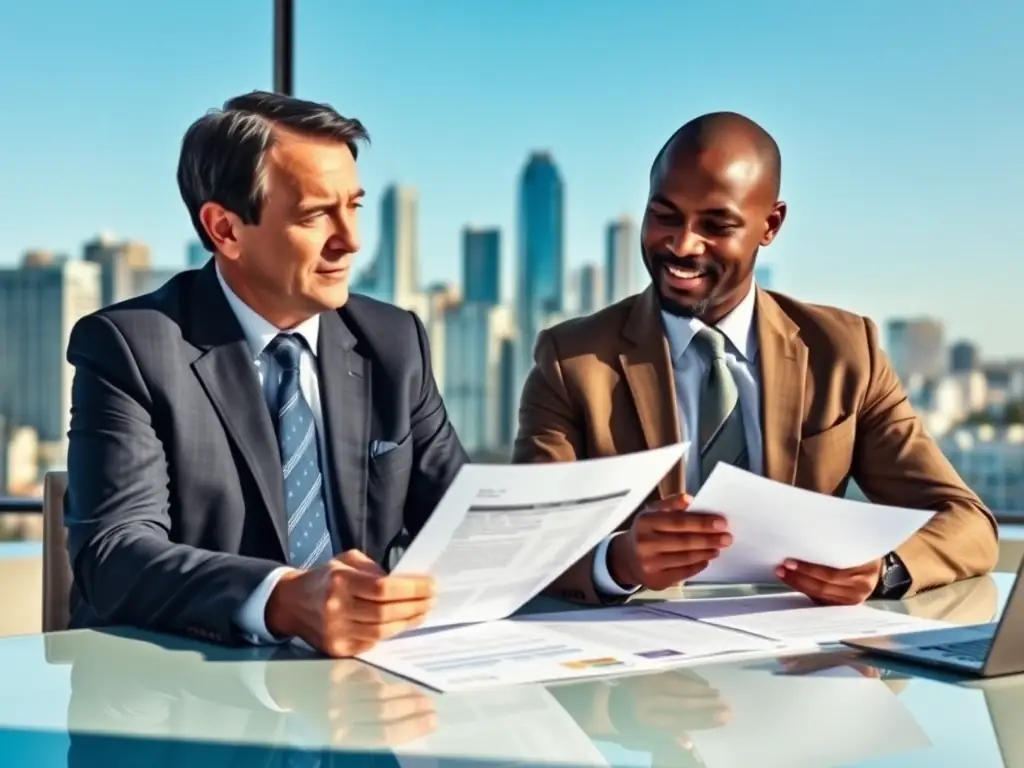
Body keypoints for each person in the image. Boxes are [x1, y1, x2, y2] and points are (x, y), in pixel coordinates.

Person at [513, 111, 997, 606]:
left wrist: (885, 570)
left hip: (799, 643)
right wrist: (620, 561)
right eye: (665, 216)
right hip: (632, 643)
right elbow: (521, 542)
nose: (682, 244)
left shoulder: (846, 352)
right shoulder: (571, 361)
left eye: (715, 225)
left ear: (771, 225)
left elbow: (968, 522)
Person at [64, 91, 467, 657]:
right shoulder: (130, 348)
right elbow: (115, 554)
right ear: (225, 229)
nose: (350, 241)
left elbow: (461, 523)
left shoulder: (394, 341)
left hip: (367, 679)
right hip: (188, 687)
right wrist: (283, 599)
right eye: (315, 215)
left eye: (353, 207)